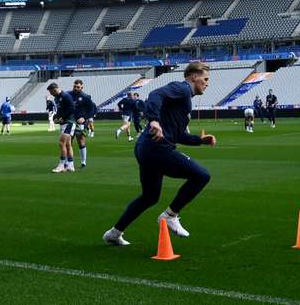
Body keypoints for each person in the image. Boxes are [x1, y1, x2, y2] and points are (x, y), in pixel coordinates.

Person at [103, 62, 217, 246]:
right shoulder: (182, 89)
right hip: (157, 148)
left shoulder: (183, 100)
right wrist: (154, 120)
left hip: (146, 148)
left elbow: (178, 135)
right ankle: (170, 216)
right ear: (193, 77)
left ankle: (114, 233)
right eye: (205, 79)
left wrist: (199, 140)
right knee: (201, 175)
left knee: (150, 196)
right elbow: (155, 94)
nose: (207, 83)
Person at [49, 82, 77, 173]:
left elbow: (72, 108)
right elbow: (60, 110)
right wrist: (56, 118)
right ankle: (71, 165)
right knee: (68, 144)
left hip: (69, 122)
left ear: (55, 89)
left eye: (51, 91)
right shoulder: (56, 98)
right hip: (64, 123)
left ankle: (62, 165)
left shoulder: (65, 96)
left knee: (61, 143)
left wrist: (63, 118)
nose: (51, 94)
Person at [71, 80, 96, 167]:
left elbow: (91, 109)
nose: (76, 88)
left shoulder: (85, 97)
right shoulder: (68, 95)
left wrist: (85, 118)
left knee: (81, 141)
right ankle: (69, 162)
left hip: (81, 122)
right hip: (70, 121)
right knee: (68, 141)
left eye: (78, 87)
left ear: (82, 87)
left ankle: (83, 161)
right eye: (74, 86)